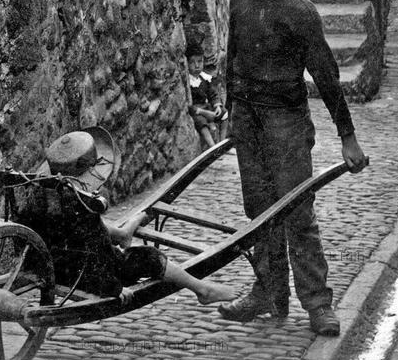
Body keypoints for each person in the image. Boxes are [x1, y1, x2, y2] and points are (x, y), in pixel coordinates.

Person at [219, 0, 367, 336]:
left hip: (286, 123)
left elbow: (326, 76)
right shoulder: (238, 3)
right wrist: (230, 112)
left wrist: (347, 135)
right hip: (248, 120)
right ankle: (268, 293)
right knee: (258, 212)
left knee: (296, 212)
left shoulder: (300, 12)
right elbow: (232, 61)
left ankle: (318, 304)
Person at [17, 128, 237, 306]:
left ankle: (124, 233)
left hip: (47, 265)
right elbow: (96, 252)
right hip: (84, 276)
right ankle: (202, 289)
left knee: (91, 231)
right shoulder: (83, 205)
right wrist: (113, 288)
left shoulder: (40, 196)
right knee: (150, 256)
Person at [186, 41, 227, 148]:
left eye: (200, 61)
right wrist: (204, 112)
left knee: (224, 113)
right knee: (201, 122)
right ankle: (213, 146)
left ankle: (222, 144)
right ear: (187, 64)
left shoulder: (204, 78)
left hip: (207, 108)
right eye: (192, 62)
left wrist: (217, 106)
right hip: (198, 111)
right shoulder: (188, 83)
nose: (196, 66)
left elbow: (213, 94)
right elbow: (190, 106)